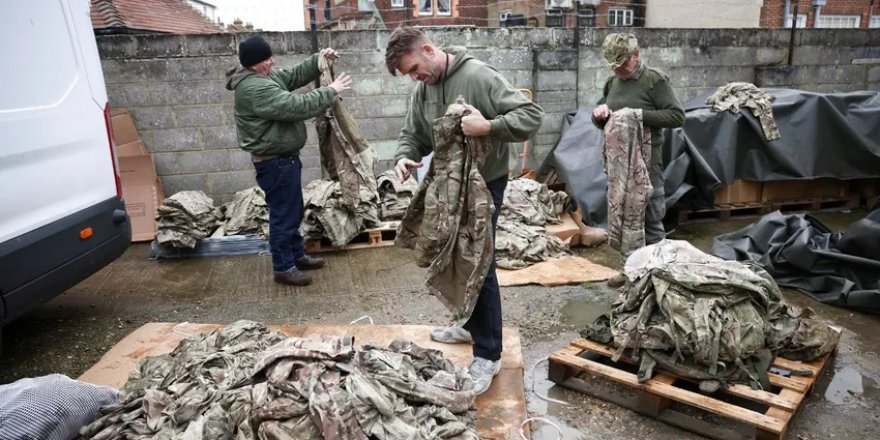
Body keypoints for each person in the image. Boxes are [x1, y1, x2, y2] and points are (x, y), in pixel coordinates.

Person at [384, 27, 543, 395]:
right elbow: (414, 134)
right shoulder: (424, 90)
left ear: (428, 49)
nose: (414, 77)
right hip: (448, 190)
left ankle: (489, 354)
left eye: (414, 69)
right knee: (455, 258)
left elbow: (530, 116)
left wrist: (489, 125)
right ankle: (469, 325)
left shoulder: (479, 76)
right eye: (409, 74)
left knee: (479, 264)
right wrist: (405, 156)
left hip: (484, 187)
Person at [225, 36, 352, 286]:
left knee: (293, 211)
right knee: (284, 214)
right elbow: (295, 106)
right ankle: (283, 267)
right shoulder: (253, 88)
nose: (272, 61)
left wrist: (318, 61)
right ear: (253, 64)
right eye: (266, 59)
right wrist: (331, 90)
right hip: (275, 163)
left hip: (284, 160)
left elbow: (292, 76)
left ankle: (296, 256)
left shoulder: (265, 76)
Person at [591, 33, 685, 286]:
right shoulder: (612, 83)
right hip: (619, 165)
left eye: (622, 64)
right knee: (624, 218)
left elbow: (677, 116)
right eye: (613, 65)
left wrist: (638, 116)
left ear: (636, 55)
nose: (618, 70)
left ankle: (662, 278)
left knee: (650, 218)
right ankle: (632, 270)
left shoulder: (654, 80)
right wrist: (600, 116)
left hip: (647, 162)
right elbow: (608, 122)